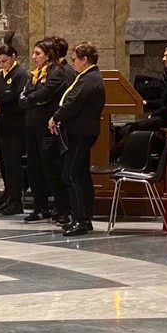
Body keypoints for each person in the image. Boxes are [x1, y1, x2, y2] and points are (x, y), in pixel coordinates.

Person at [49, 42, 106, 237]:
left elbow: (73, 103)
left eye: (74, 59)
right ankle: (83, 218)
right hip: (80, 132)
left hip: (81, 132)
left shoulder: (89, 79)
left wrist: (56, 117)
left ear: (84, 60)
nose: (72, 63)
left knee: (71, 175)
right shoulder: (88, 77)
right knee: (80, 175)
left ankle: (81, 219)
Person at [19, 38, 70, 224]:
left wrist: (32, 99)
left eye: (38, 54)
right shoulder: (35, 73)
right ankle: (40, 207)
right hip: (32, 125)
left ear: (48, 55)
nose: (33, 57)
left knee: (51, 169)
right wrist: (32, 99)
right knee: (33, 168)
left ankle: (63, 208)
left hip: (46, 128)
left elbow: (45, 94)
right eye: (33, 53)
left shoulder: (57, 72)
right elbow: (24, 95)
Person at [0, 42, 30, 215]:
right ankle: (9, 196)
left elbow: (21, 101)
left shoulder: (20, 75)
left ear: (13, 57)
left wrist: (1, 108)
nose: (1, 64)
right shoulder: (0, 75)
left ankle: (16, 200)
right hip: (3, 124)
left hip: (16, 125)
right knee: (6, 164)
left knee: (14, 163)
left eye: (4, 61)